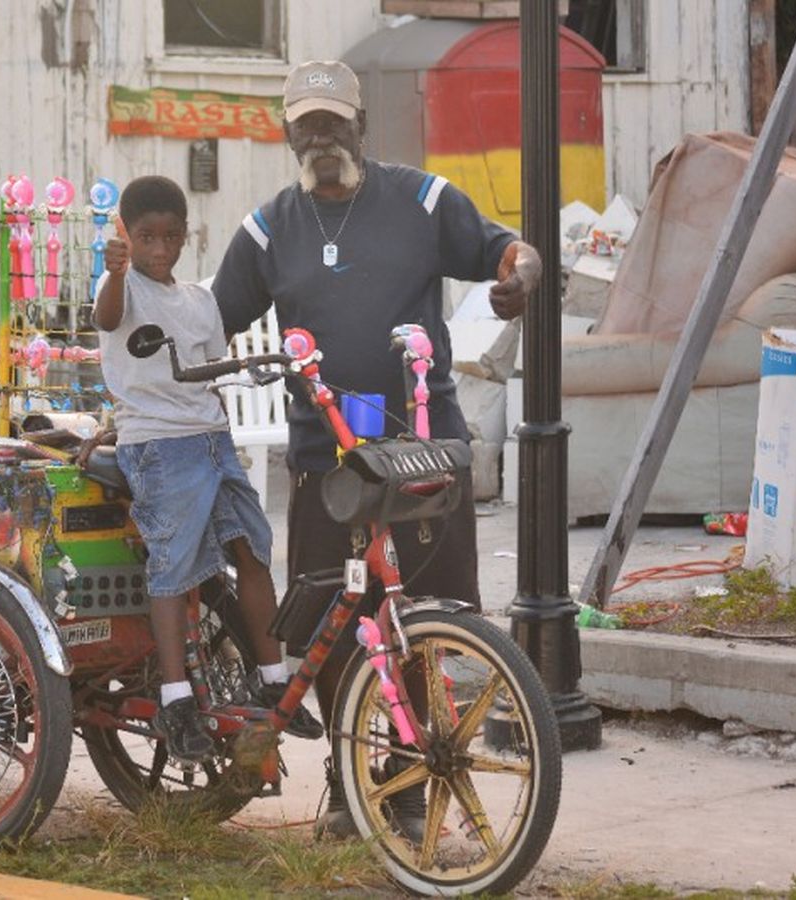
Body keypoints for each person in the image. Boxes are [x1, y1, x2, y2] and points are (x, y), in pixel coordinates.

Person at [211, 61, 541, 835]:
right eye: (306, 125)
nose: (320, 137)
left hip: (420, 452)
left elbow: (509, 251)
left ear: (361, 126)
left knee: (422, 621)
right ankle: (350, 779)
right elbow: (211, 321)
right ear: (287, 133)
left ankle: (409, 781)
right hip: (324, 462)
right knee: (331, 627)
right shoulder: (269, 230)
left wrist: (520, 280)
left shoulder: (422, 202)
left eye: (334, 122)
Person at [94, 175, 323, 762]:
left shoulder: (200, 300)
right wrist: (114, 271)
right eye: (146, 238)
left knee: (252, 550)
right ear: (126, 236)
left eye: (171, 237)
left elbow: (211, 370)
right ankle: (175, 698)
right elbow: (107, 317)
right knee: (173, 567)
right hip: (158, 446)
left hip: (213, 440)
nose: (160, 249)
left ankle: (271, 677)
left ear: (186, 236)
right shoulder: (122, 288)